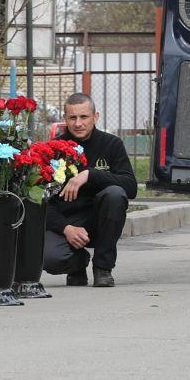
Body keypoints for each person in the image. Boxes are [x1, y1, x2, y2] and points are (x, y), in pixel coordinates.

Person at [44, 93, 138, 288]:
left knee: (115, 194)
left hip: (100, 220)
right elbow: (40, 201)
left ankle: (103, 268)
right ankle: (77, 264)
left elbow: (130, 186)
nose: (78, 123)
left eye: (84, 117)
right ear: (65, 118)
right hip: (67, 222)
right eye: (72, 118)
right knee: (50, 259)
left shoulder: (112, 144)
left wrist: (90, 175)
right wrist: (66, 229)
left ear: (95, 116)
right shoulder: (52, 150)